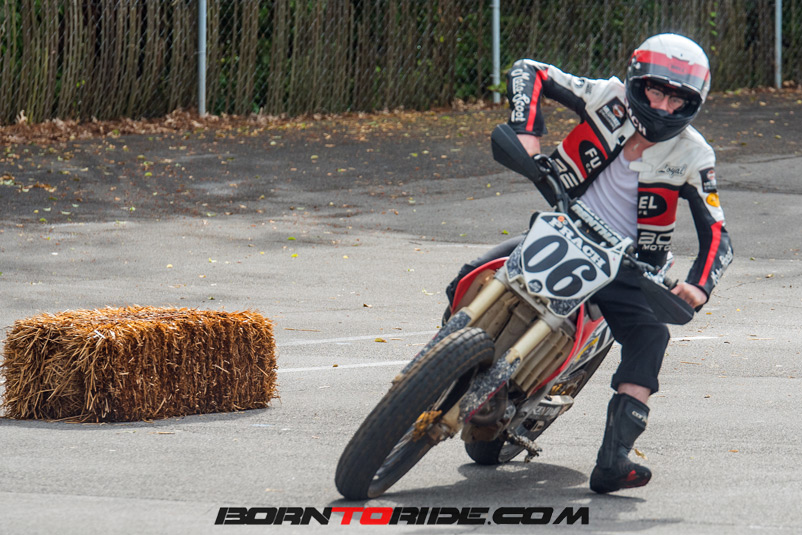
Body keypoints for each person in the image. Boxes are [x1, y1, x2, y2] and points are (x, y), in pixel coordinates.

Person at [445, 34, 733, 493]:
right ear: (636, 82)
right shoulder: (605, 96)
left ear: (693, 103)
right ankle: (443, 370)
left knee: (651, 336)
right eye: (655, 91)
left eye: (677, 99)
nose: (663, 106)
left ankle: (614, 460)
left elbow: (718, 234)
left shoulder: (696, 155)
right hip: (561, 228)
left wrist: (699, 286)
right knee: (469, 274)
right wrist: (527, 133)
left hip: (625, 266)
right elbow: (530, 69)